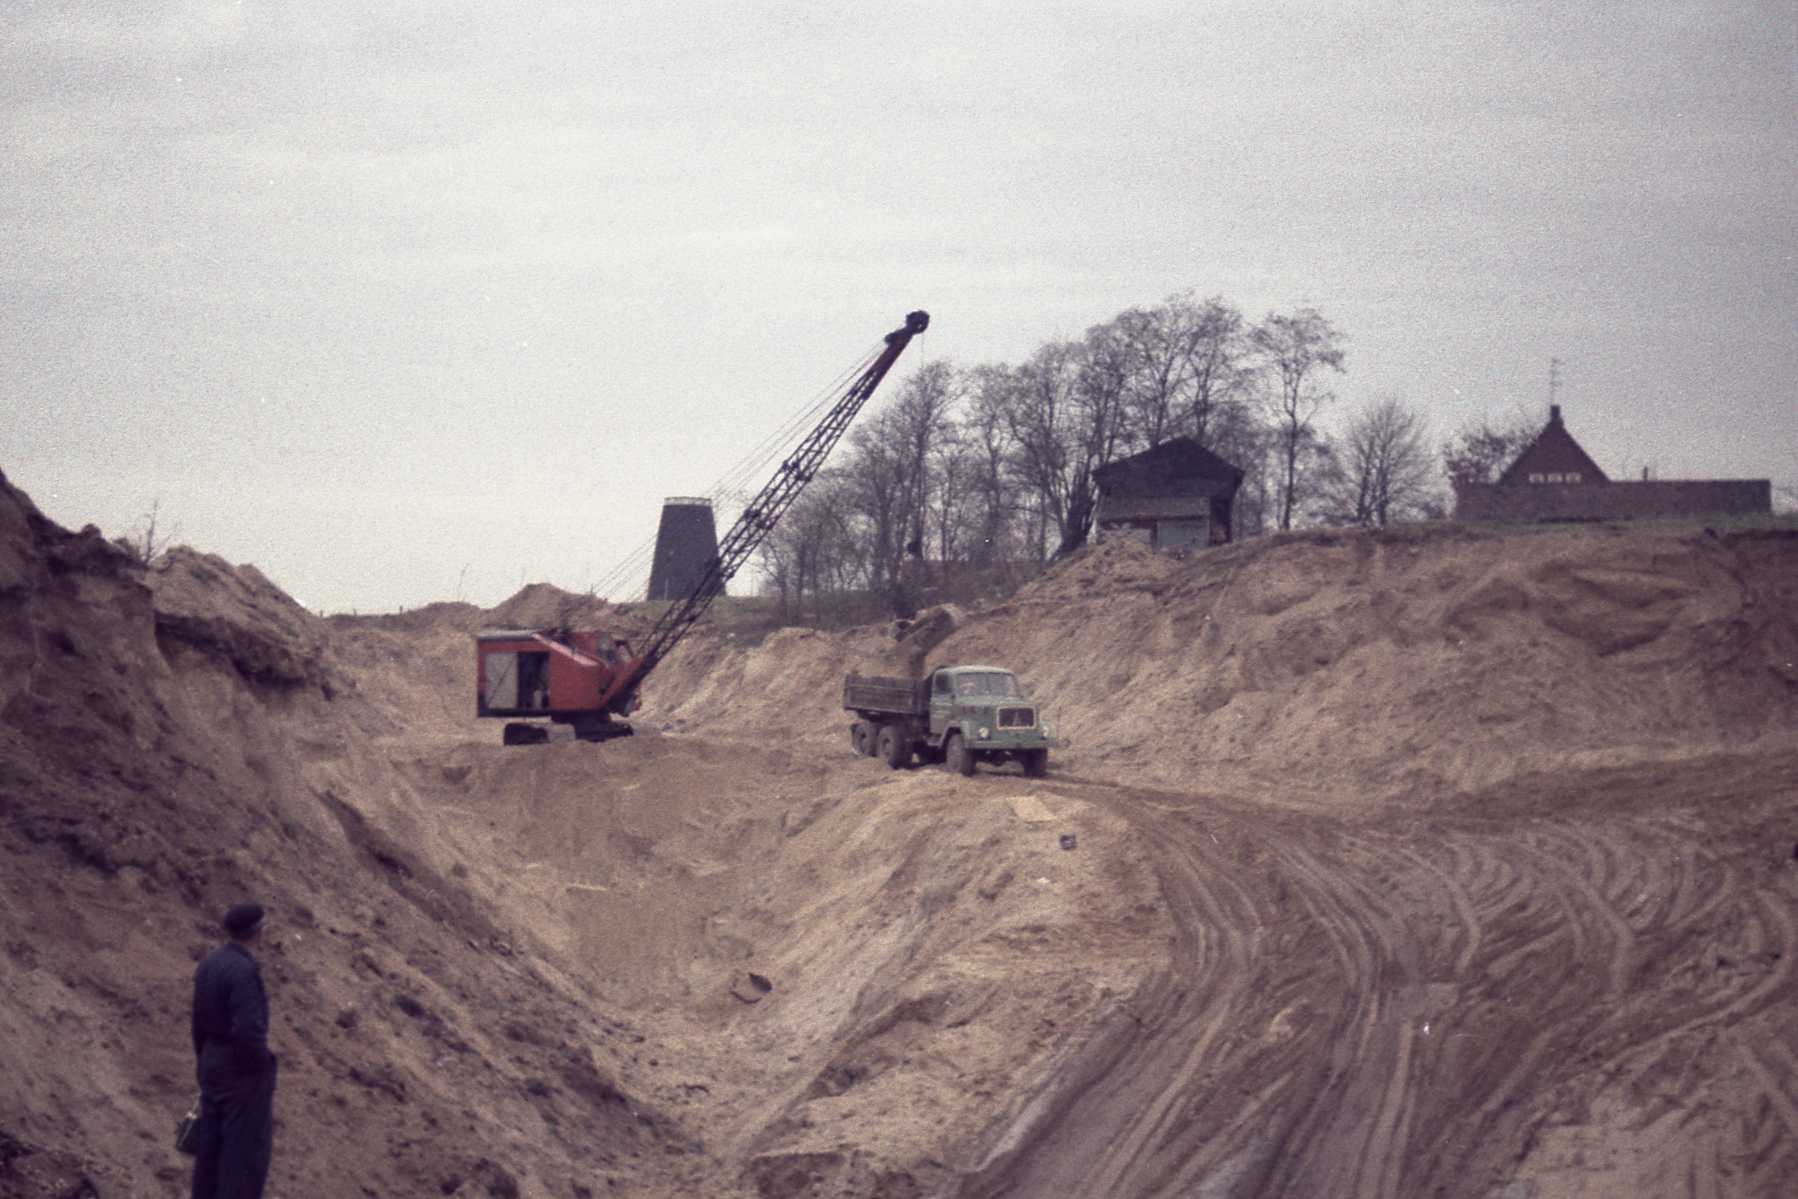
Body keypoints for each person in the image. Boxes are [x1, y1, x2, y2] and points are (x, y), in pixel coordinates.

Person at [190, 902, 277, 1199]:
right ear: (258, 932)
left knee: (209, 1153)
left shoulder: (210, 963)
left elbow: (197, 1021)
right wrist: (260, 1067)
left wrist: (204, 1061)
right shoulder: (244, 971)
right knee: (241, 1158)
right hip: (239, 1073)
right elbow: (248, 1031)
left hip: (211, 1061)